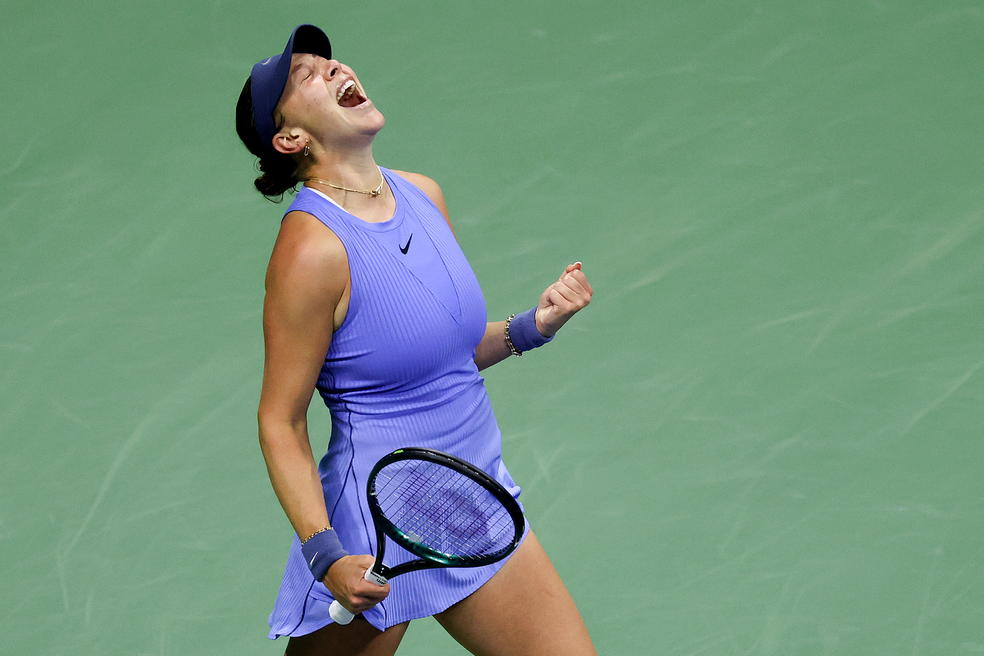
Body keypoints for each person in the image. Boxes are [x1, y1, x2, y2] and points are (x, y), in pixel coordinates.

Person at [236, 24, 597, 656]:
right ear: (291, 137)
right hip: (371, 531)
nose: (331, 67)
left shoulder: (423, 194)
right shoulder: (311, 250)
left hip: (470, 496)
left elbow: (441, 354)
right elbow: (280, 419)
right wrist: (326, 556)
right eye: (305, 75)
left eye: (328, 60)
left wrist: (530, 328)